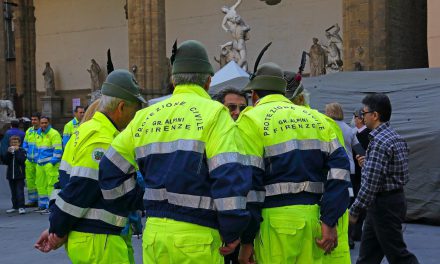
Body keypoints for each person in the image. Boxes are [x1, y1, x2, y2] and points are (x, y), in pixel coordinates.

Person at [98, 40, 253, 264]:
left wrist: (137, 201)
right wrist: (232, 231)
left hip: (154, 236)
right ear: (208, 81)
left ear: (173, 79)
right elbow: (229, 176)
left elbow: (109, 169)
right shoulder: (215, 114)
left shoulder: (145, 116)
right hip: (198, 238)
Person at [237, 62, 350, 264]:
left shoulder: (251, 120)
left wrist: (247, 241)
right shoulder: (319, 119)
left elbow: (250, 184)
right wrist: (329, 220)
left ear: (254, 95)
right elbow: (340, 172)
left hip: (275, 224)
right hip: (317, 220)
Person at [34, 69, 145, 264]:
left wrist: (55, 227)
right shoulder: (102, 140)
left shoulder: (84, 131)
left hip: (89, 239)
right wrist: (57, 231)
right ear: (121, 107)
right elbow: (81, 190)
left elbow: (63, 184)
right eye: (135, 109)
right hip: (100, 242)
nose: (135, 115)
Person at [349, 93, 419, 264]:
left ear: (375, 115)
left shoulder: (379, 141)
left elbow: (371, 184)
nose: (361, 117)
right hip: (391, 200)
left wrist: (355, 210)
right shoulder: (394, 137)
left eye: (363, 113)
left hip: (383, 205)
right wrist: (368, 165)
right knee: (368, 256)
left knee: (398, 255)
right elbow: (395, 172)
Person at [349, 107, 370, 243]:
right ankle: (353, 232)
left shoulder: (368, 135)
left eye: (355, 117)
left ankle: (357, 231)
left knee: (361, 202)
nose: (353, 120)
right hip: (354, 174)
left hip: (363, 173)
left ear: (360, 119)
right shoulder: (353, 133)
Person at [35, 117, 62, 212]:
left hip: (50, 163)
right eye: (42, 123)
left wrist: (53, 162)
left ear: (49, 123)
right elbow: (37, 149)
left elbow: (58, 149)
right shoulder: (37, 134)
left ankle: (51, 206)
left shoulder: (54, 133)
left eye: (45, 123)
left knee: (51, 185)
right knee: (40, 184)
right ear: (40, 124)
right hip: (40, 164)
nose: (44, 125)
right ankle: (43, 205)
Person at [221, 0, 250, 71]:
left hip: (236, 42)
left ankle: (238, 70)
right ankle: (235, 70)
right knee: (243, 59)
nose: (224, 10)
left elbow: (238, 3)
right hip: (239, 41)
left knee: (242, 60)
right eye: (223, 10)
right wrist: (226, 29)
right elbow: (222, 24)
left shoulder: (232, 9)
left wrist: (223, 45)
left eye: (223, 9)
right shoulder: (240, 28)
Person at [4, 135, 27, 215]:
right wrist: (8, 153)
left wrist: (16, 151)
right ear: (10, 143)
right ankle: (15, 206)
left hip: (19, 175)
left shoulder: (22, 151)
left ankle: (21, 207)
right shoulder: (9, 151)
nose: (14, 144)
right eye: (12, 143)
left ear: (19, 143)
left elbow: (22, 160)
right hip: (11, 175)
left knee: (19, 191)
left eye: (16, 143)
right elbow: (5, 161)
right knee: (13, 192)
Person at [23, 113, 41, 207]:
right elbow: (25, 144)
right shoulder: (29, 131)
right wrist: (26, 154)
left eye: (35, 120)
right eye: (32, 119)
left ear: (39, 120)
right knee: (30, 182)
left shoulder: (42, 131)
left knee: (40, 181)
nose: (33, 121)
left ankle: (41, 201)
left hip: (39, 161)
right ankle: (32, 200)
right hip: (30, 161)